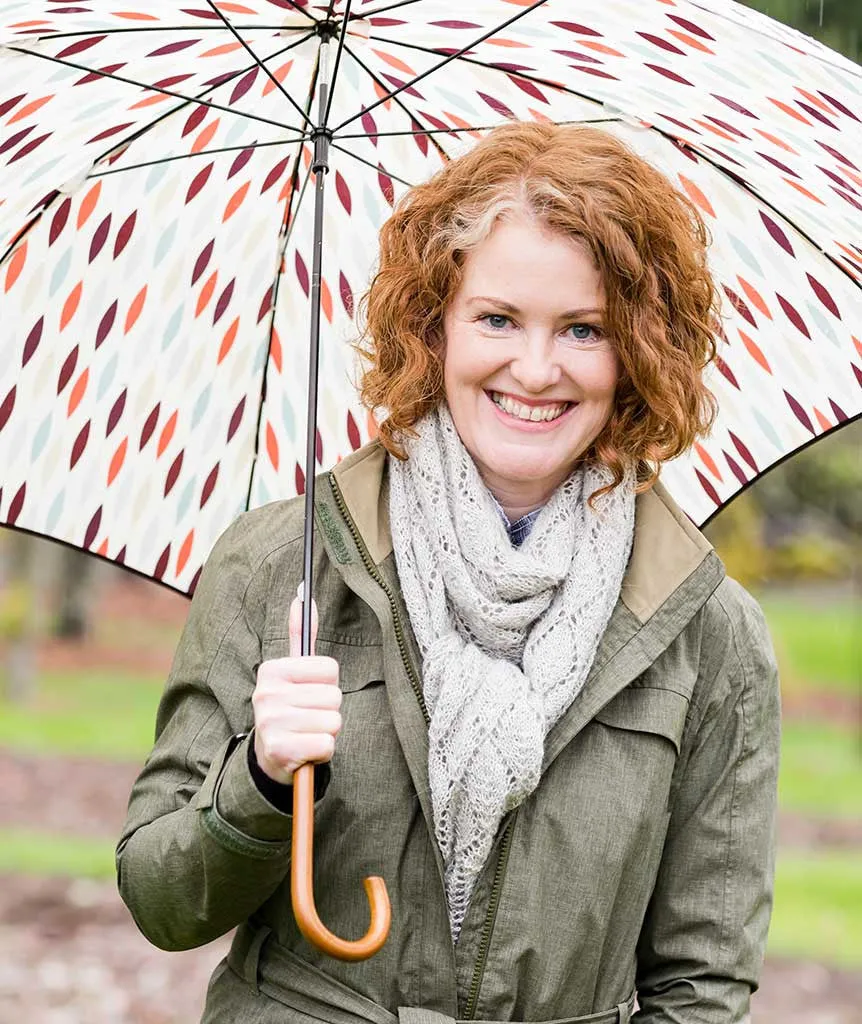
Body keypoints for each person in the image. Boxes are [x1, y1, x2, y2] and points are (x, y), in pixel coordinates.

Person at [117, 121, 780, 1024]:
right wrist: (263, 778)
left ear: (637, 350)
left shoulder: (709, 634)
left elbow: (702, 985)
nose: (536, 369)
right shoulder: (285, 565)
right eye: (497, 318)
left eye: (584, 329)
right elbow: (161, 901)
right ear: (432, 325)